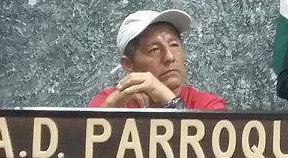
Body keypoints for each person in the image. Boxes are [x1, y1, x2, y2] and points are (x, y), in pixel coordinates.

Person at [89, 8, 228, 110]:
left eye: (174, 45)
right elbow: (81, 138)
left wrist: (169, 100)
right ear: (128, 64)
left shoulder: (206, 105)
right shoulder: (109, 101)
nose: (170, 57)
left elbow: (205, 141)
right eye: (154, 50)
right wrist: (108, 109)